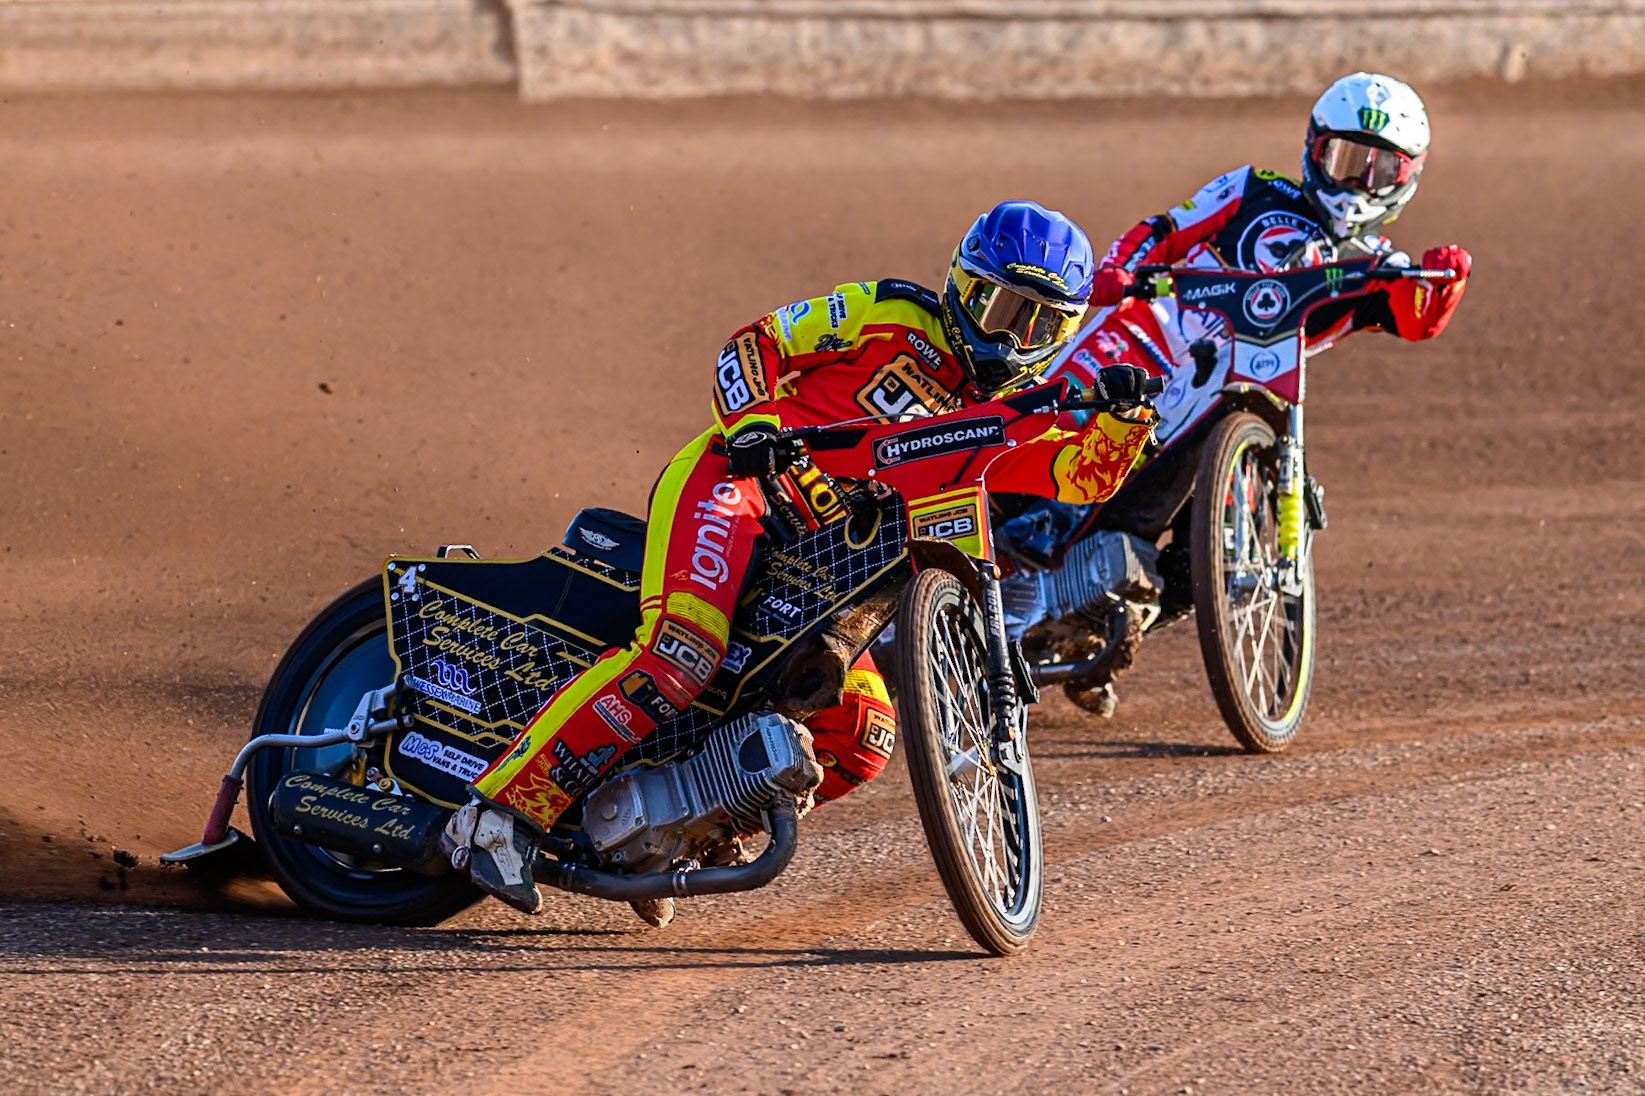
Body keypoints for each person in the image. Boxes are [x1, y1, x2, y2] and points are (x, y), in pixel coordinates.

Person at [442, 200, 1159, 915]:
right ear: (960, 285)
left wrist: (1129, 423)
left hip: (834, 569)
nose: (1012, 334)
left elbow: (1077, 477)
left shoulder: (1025, 409)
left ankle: (685, 829)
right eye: (999, 305)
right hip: (741, 488)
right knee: (680, 654)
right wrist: (754, 423)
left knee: (863, 736)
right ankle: (495, 816)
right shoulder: (891, 312)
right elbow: (752, 345)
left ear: (1064, 331)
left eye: (1038, 321)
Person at [1003, 72, 1474, 716]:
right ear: (1313, 149)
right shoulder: (1253, 190)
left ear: (1406, 178)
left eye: (1377, 170)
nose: (1355, 183)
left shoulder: (1374, 265)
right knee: (1034, 454)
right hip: (1149, 341)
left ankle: (1100, 625)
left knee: (1209, 558)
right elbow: (1166, 228)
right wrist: (1118, 269)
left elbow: (1414, 315)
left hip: (1242, 397)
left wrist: (1444, 281)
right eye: (1344, 159)